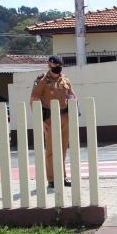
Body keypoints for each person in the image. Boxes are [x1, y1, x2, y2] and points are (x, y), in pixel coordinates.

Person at [30, 55, 75, 189]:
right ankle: (51, 179)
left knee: (63, 149)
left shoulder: (65, 79)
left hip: (65, 118)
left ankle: (63, 177)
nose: (58, 69)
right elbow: (33, 99)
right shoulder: (41, 80)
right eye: (56, 66)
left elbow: (72, 95)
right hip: (49, 119)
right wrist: (40, 120)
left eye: (60, 66)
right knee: (51, 150)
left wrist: (74, 108)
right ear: (49, 65)